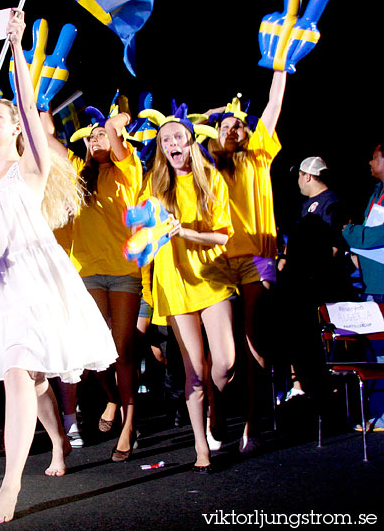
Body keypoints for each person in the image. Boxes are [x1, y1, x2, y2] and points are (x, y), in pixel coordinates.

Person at [0, 9, 117, 524]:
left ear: (14, 129)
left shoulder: (32, 165)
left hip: (32, 282)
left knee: (17, 372)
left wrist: (17, 52)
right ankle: (58, 440)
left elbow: (30, 108)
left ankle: (9, 485)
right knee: (30, 382)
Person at [41, 100, 142, 460]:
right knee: (98, 352)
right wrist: (41, 103)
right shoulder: (75, 172)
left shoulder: (128, 169)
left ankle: (128, 426)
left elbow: (116, 131)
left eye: (103, 134)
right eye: (92, 136)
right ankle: (113, 399)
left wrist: (118, 119)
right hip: (86, 272)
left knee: (125, 351)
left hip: (124, 271)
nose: (98, 138)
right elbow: (45, 135)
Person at [137, 103, 235, 472]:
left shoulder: (211, 179)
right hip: (175, 283)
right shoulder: (155, 185)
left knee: (224, 363)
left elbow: (223, 235)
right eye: (165, 140)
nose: (172, 143)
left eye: (178, 136)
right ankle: (200, 449)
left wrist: (186, 231)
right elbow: (142, 233)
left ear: (191, 141)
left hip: (211, 278)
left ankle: (218, 408)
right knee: (195, 369)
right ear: (162, 149)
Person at [205, 75, 286, 452]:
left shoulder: (259, 155)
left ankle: (252, 425)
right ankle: (214, 411)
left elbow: (272, 106)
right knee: (220, 352)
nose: (233, 129)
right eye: (225, 126)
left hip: (256, 255)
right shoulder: (205, 165)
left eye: (239, 125)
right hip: (217, 260)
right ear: (215, 133)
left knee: (255, 339)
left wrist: (280, 67)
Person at [277, 156, 350, 402]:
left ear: (307, 176)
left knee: (316, 343)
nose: (298, 181)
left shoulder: (332, 204)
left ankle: (326, 389)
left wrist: (309, 266)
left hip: (318, 288)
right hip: (299, 285)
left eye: (299, 175)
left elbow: (334, 247)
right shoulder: (305, 205)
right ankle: (300, 384)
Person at [342, 142, 384, 431]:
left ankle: (382, 415)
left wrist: (350, 232)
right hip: (371, 284)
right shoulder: (376, 193)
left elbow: (373, 236)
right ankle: (379, 412)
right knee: (375, 353)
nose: (369, 163)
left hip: (382, 285)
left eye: (373, 158)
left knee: (382, 353)